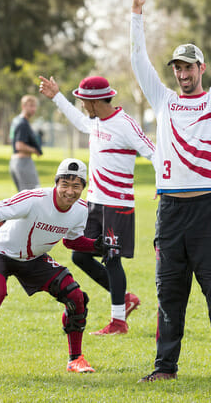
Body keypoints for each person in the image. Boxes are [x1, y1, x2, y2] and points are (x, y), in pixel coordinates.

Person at [130, 0, 211, 383]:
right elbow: (138, 62)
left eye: (189, 67)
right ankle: (165, 367)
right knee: (169, 295)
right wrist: (136, 14)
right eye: (177, 67)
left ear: (201, 67)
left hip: (209, 212)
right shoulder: (163, 101)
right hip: (171, 213)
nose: (182, 73)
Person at [0, 158, 113, 379]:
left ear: (83, 187)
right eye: (65, 184)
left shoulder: (81, 209)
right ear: (56, 183)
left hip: (34, 258)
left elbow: (71, 241)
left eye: (76, 186)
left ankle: (75, 359)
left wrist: (95, 246)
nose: (70, 191)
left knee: (76, 296)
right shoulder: (35, 198)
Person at [39, 75, 154, 334]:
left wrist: (164, 185)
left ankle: (118, 322)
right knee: (80, 254)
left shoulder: (125, 124)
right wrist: (57, 96)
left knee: (112, 259)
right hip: (94, 203)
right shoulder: (96, 122)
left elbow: (152, 151)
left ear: (94, 102)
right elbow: (80, 122)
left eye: (82, 100)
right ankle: (124, 299)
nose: (81, 105)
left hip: (117, 204)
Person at [9, 95, 42, 190]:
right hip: (23, 162)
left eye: (35, 106)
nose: (34, 109)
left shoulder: (16, 120)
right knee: (33, 195)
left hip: (15, 162)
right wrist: (35, 150)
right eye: (31, 106)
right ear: (23, 106)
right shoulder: (22, 123)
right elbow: (19, 145)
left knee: (22, 197)